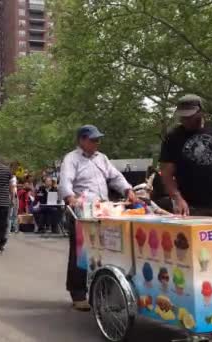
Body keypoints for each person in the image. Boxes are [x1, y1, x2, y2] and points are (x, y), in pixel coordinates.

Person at [59, 125, 139, 311]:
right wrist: (70, 198)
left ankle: (103, 291)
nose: (97, 143)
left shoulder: (101, 158)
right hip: (82, 212)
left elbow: (115, 176)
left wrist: (128, 189)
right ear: (82, 140)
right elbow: (65, 182)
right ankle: (78, 293)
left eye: (98, 139)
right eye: (93, 139)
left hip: (103, 210)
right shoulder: (71, 159)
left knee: (107, 252)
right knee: (80, 254)